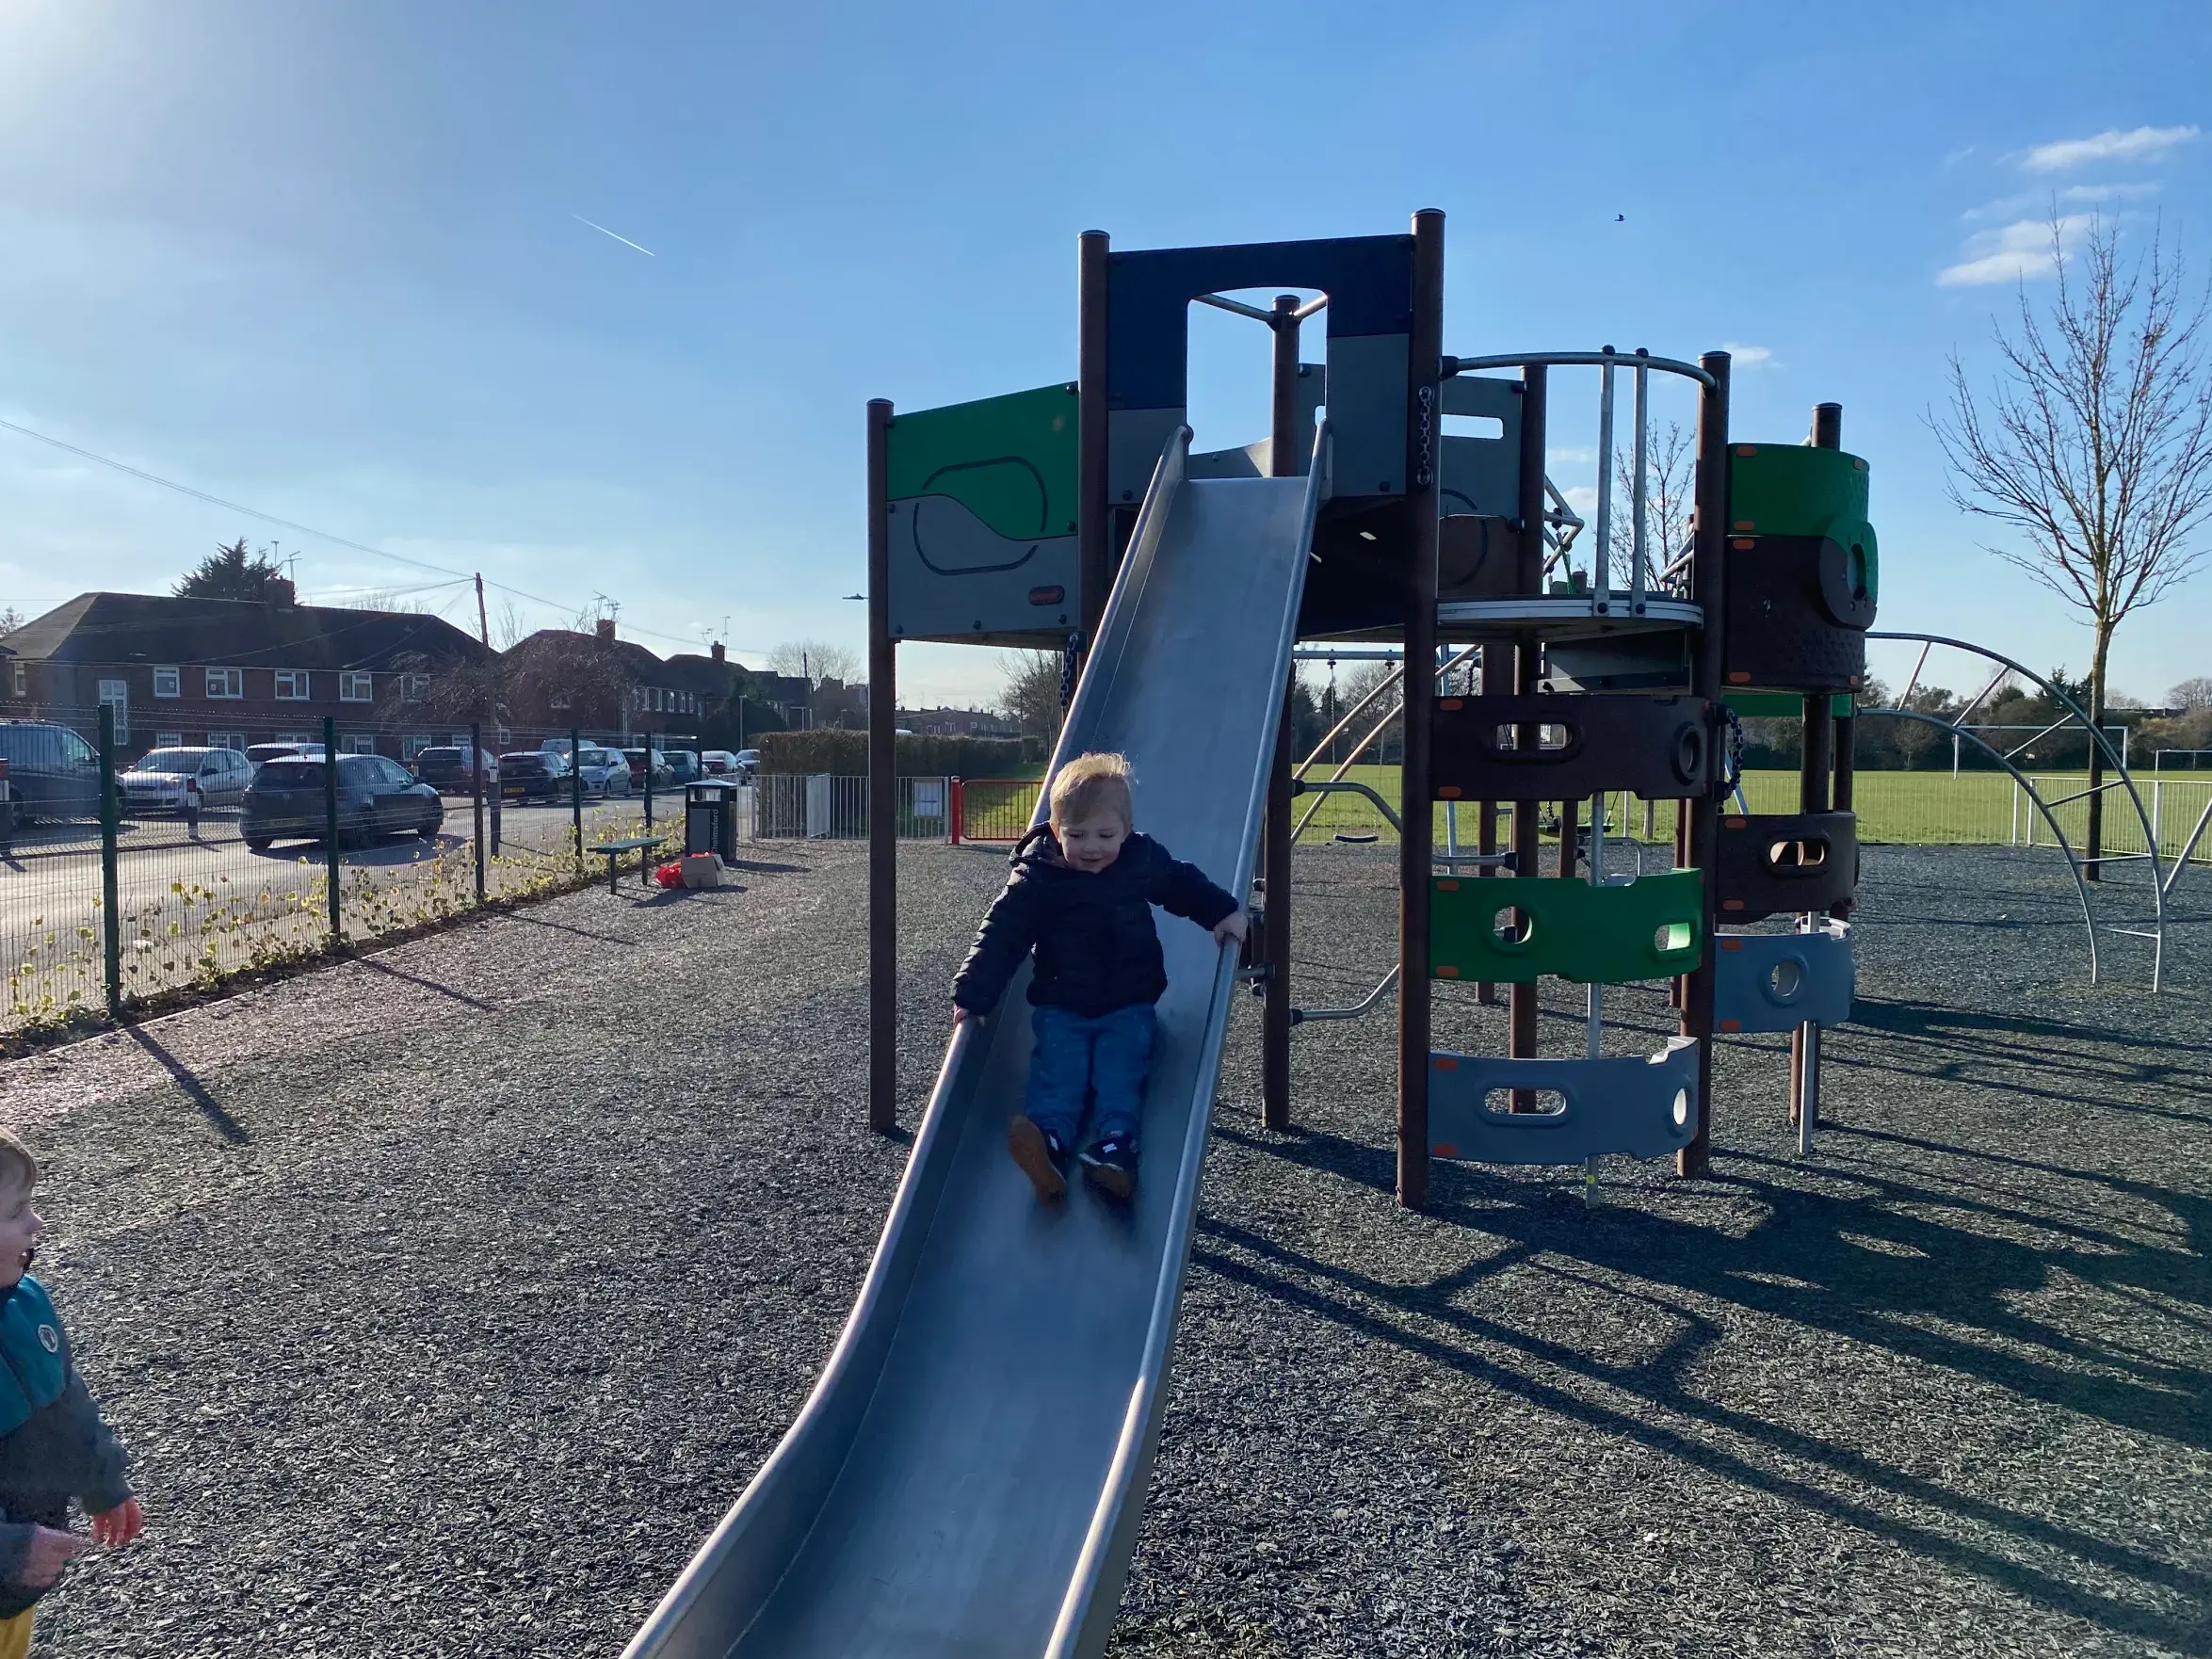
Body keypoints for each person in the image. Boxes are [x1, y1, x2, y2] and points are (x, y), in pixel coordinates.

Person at [952, 752, 1247, 1202]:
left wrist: (1222, 912)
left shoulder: (1138, 860)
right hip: (1060, 1004)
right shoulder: (1038, 878)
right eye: (1077, 835)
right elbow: (1002, 933)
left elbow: (1179, 884)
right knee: (1058, 1074)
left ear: (1126, 832)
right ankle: (1049, 1146)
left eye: (1105, 835)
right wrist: (974, 994)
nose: (1092, 846)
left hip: (1128, 1003)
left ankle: (1116, 1150)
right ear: (1054, 831)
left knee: (1120, 1073)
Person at [0, 1131, 141, 1659]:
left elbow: (67, 1404)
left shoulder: (26, 1303)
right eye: (17, 1211)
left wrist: (102, 1479)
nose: (36, 1224)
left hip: (14, 1583)